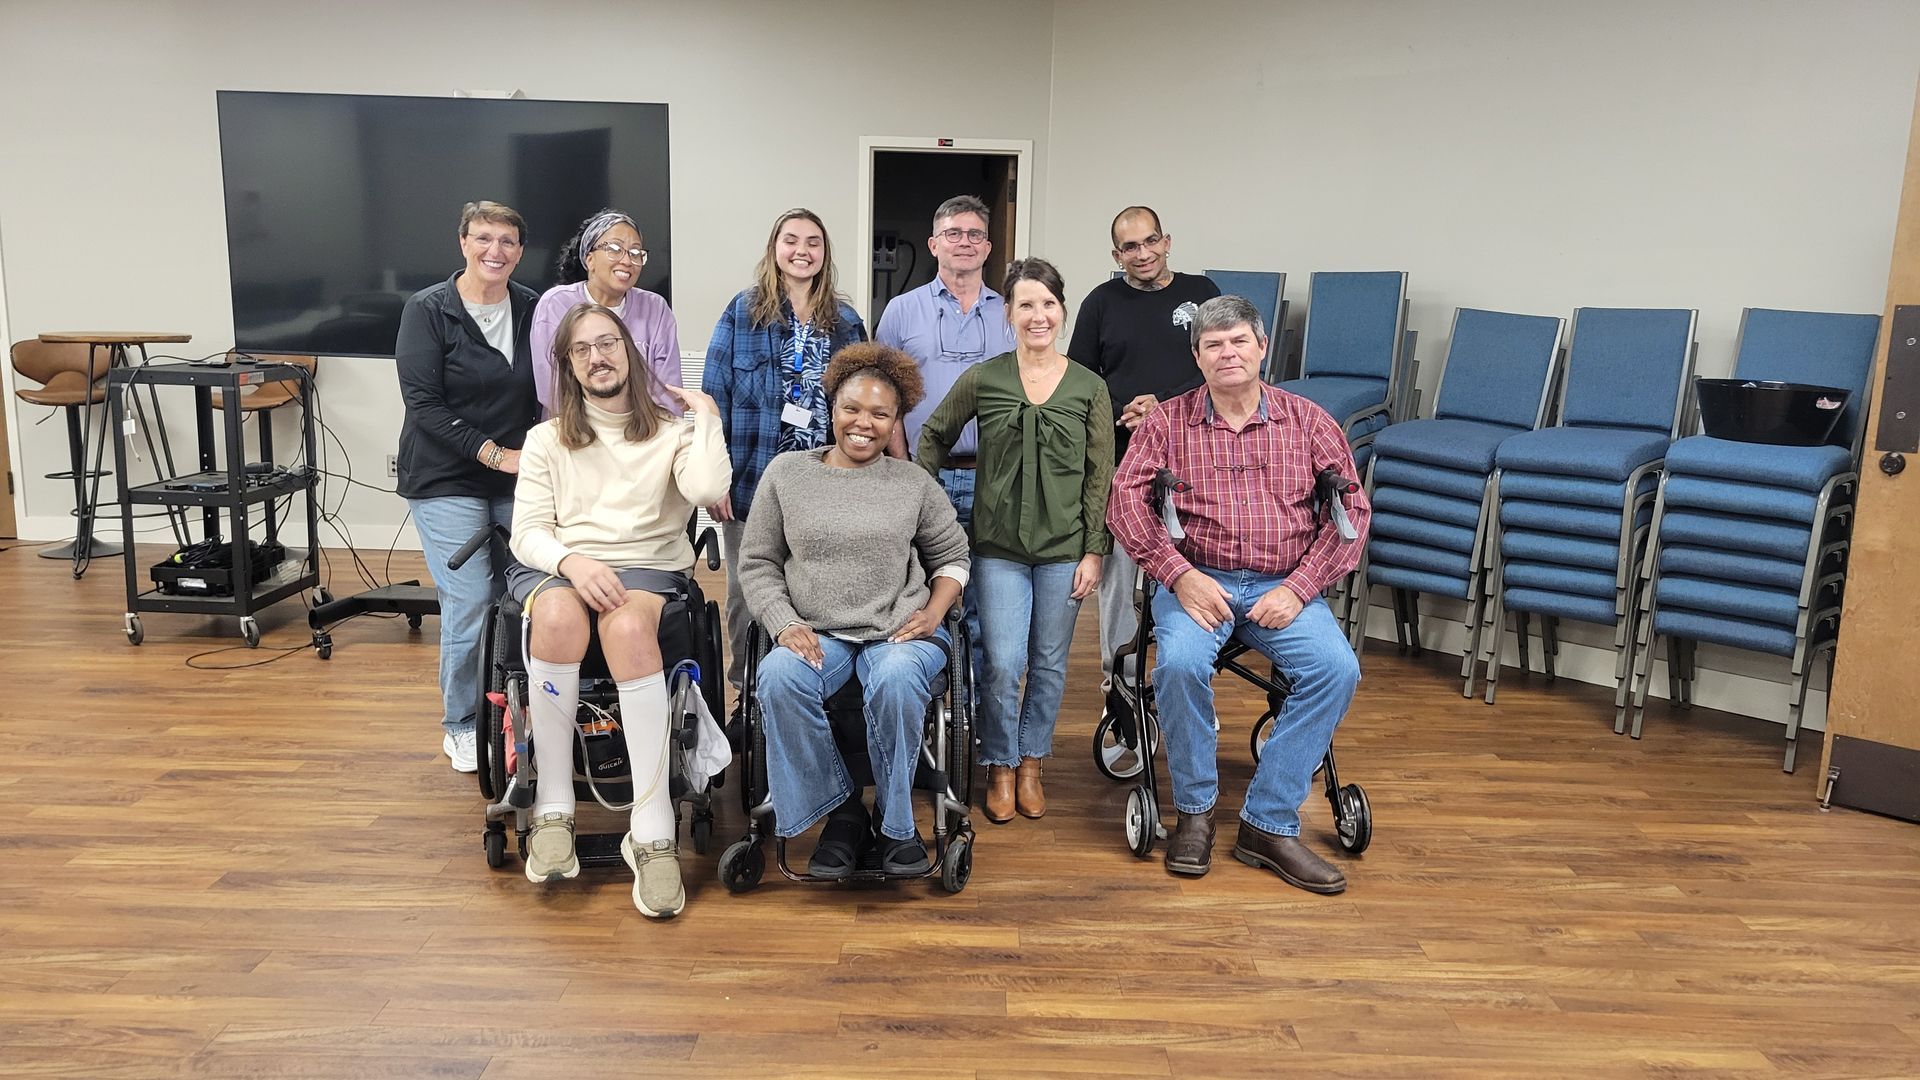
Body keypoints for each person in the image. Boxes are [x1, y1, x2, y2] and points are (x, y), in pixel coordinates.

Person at [1107, 295, 1371, 894]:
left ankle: (1268, 823)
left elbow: (1351, 513)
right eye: (1213, 345)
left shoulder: (1309, 421)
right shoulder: (1166, 423)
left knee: (1337, 670)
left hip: (1284, 584)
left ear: (1261, 347)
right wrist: (1178, 574)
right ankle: (1195, 813)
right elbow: (1124, 505)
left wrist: (1301, 588)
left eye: (1238, 341)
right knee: (1178, 664)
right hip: (1197, 579)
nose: (1227, 353)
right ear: (1197, 356)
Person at [506, 302, 729, 918]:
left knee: (628, 624)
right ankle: (554, 810)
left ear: (629, 351)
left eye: (607, 343)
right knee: (556, 618)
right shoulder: (547, 439)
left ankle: (652, 832)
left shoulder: (672, 432)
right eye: (581, 349)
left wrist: (706, 420)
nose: (597, 357)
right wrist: (573, 564)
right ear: (567, 366)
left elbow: (708, 491)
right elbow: (527, 532)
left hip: (649, 568)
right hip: (561, 564)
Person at [739, 343, 968, 878]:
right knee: (777, 677)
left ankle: (895, 823)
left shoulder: (912, 482)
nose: (863, 423)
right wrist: (783, 621)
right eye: (852, 409)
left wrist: (935, 612)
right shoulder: (787, 473)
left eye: (880, 414)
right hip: (817, 631)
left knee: (895, 679)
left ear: (896, 421)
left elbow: (954, 557)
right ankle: (843, 812)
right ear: (832, 408)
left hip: (898, 631)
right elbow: (757, 563)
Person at [918, 258, 1112, 824]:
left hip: (1065, 551)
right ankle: (999, 764)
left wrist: (1094, 550)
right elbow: (933, 436)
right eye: (1025, 304)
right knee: (1003, 663)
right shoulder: (986, 378)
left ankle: (1031, 763)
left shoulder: (1089, 387)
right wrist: (926, 508)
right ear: (1008, 313)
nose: (1038, 315)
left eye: (1048, 303)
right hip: (997, 548)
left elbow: (1100, 474)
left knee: (1048, 664)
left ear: (1062, 311)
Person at [703, 209, 868, 709]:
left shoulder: (846, 322)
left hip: (827, 486)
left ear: (825, 252)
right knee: (747, 594)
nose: (802, 250)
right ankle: (748, 695)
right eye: (791, 240)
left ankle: (811, 690)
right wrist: (716, 479)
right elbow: (713, 398)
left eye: (813, 242)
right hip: (753, 483)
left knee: (819, 590)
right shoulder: (742, 312)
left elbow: (865, 405)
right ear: (774, 248)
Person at [395, 200, 539, 774]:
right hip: (445, 475)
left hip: (517, 475)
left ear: (520, 251)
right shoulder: (428, 310)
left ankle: (517, 709)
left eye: (507, 241)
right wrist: (495, 454)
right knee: (473, 597)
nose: (494, 251)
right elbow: (423, 404)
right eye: (483, 238)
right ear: (463, 243)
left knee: (527, 592)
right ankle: (462, 722)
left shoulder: (532, 307)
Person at [1066, 206, 1220, 696]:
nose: (1143, 253)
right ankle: (1120, 688)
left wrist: (1163, 406)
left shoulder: (1203, 293)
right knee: (1118, 577)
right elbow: (1079, 380)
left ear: (1167, 241)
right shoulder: (1100, 302)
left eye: (1151, 241)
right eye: (1130, 246)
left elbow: (1219, 369)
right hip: (1123, 456)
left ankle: (1189, 683)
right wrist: (1122, 411)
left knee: (1196, 568)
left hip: (1194, 455)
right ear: (1117, 255)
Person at [876, 194, 1017, 682]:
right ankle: (926, 695)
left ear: (988, 247)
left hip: (995, 480)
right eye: (953, 233)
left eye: (975, 234)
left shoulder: (1011, 313)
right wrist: (905, 468)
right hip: (924, 475)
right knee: (923, 594)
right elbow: (885, 397)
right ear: (934, 244)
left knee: (984, 603)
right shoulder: (901, 311)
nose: (964, 242)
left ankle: (970, 705)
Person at [529, 209, 682, 418]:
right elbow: (553, 388)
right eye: (615, 249)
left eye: (635, 252)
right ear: (589, 259)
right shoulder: (556, 304)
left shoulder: (655, 308)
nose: (627, 261)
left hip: (644, 430)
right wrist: (606, 429)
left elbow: (668, 392)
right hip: (573, 427)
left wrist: (651, 432)